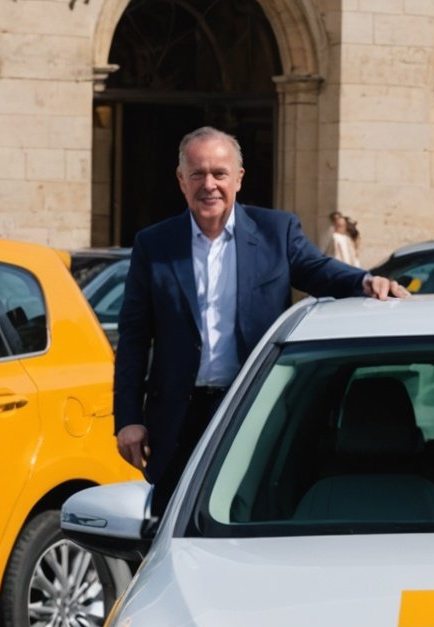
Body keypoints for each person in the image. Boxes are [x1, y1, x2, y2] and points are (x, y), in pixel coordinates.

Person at [114, 127, 409, 512]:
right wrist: (128, 419)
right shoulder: (154, 245)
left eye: (219, 173)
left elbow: (318, 270)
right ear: (181, 180)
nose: (209, 185)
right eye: (198, 174)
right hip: (179, 420)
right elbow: (134, 338)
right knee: (174, 523)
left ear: (238, 178)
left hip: (255, 408)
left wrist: (365, 282)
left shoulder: (275, 232)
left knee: (255, 516)